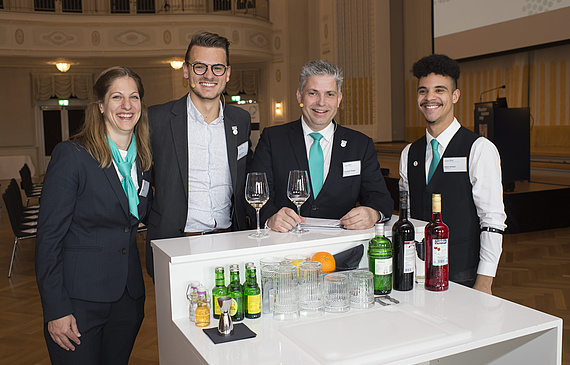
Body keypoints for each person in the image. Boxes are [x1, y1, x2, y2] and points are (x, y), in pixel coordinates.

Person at [35, 66, 153, 364]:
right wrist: (56, 309)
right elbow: (48, 240)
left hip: (128, 300)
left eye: (134, 97)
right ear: (100, 105)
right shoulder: (72, 155)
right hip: (79, 302)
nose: (127, 106)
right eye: (117, 97)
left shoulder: (145, 159)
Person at [146, 31, 252, 277]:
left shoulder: (241, 120)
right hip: (176, 243)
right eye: (199, 66)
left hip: (231, 242)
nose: (208, 75)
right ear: (186, 70)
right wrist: (159, 217)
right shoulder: (157, 119)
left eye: (217, 68)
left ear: (227, 73)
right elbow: (139, 178)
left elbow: (246, 175)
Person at [399, 54, 507, 294]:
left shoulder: (479, 149)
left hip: (464, 276)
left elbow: (492, 219)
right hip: (417, 275)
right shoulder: (409, 153)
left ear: (455, 96)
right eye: (423, 91)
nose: (430, 98)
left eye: (440, 90)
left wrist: (485, 281)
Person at [251, 60, 393, 232]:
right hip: (284, 243)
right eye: (313, 93)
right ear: (299, 96)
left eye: (330, 94)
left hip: (342, 246)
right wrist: (270, 218)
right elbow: (255, 194)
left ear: (339, 99)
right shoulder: (272, 139)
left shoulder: (360, 145)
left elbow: (381, 198)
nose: (321, 102)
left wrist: (373, 213)